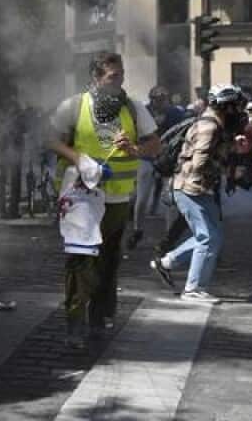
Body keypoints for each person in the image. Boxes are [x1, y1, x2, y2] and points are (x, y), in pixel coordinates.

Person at [48, 52, 160, 345]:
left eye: (121, 75)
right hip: (80, 197)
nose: (119, 80)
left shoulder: (134, 107)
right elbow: (50, 139)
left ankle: (98, 318)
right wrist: (79, 159)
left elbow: (154, 143)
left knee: (108, 260)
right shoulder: (73, 106)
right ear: (96, 78)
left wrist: (135, 149)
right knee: (79, 259)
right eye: (113, 76)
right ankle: (75, 322)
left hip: (117, 201)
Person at [149, 85, 248, 303]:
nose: (239, 111)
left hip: (198, 188)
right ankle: (193, 289)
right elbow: (199, 161)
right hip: (191, 188)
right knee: (207, 237)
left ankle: (167, 262)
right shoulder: (209, 127)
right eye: (236, 106)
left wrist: (231, 144)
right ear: (226, 106)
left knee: (214, 236)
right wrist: (223, 168)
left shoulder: (214, 124)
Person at [129, 85, 187, 249]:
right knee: (142, 198)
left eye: (162, 99)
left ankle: (168, 236)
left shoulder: (175, 113)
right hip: (147, 157)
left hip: (167, 159)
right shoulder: (144, 112)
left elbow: (182, 132)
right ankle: (137, 229)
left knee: (170, 199)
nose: (159, 103)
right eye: (156, 99)